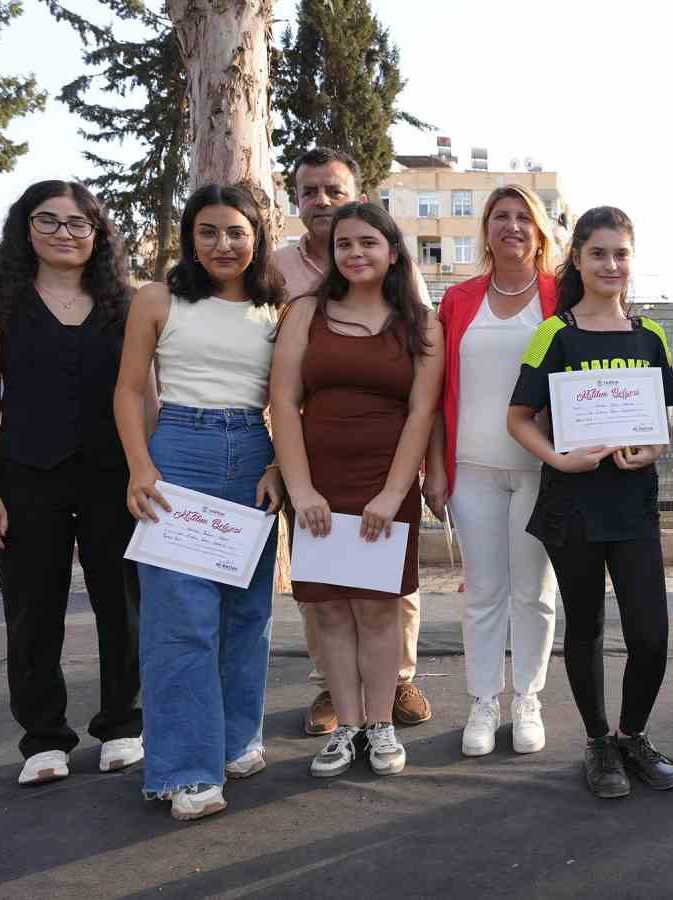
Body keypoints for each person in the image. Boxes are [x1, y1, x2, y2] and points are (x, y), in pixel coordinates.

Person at [0, 180, 143, 786]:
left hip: (114, 476)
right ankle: (44, 737)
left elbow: (148, 396)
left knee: (124, 603)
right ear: (25, 228)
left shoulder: (128, 304)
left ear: (98, 234)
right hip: (25, 476)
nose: (65, 233)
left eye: (79, 223)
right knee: (34, 608)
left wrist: (149, 469)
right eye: (50, 220)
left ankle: (123, 724)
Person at [114, 184, 285, 822]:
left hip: (251, 451)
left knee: (248, 612)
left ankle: (238, 738)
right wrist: (141, 466)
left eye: (236, 231)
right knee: (180, 618)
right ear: (190, 236)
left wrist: (278, 465)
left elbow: (290, 399)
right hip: (179, 452)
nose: (223, 244)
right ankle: (186, 769)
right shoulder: (158, 299)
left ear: (256, 235)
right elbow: (131, 390)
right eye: (208, 231)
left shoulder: (277, 306)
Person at [507, 206, 673, 799]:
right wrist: (558, 458)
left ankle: (633, 734)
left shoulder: (651, 334)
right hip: (573, 503)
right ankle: (598, 743)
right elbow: (518, 418)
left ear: (633, 261)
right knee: (585, 626)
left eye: (622, 253)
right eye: (599, 253)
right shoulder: (554, 333)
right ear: (577, 259)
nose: (611, 264)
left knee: (651, 634)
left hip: (632, 505)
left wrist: (651, 447)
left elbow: (663, 423)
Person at [271, 202, 443, 778]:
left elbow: (422, 412)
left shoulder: (421, 323)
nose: (355, 253)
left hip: (384, 486)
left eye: (368, 242)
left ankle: (381, 726)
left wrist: (394, 495)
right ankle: (345, 728)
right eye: (344, 244)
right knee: (331, 615)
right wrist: (301, 489)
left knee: (378, 611)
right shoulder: (303, 314)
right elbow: (284, 406)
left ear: (392, 251)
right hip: (317, 486)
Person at [426, 184, 561, 758]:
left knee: (533, 593)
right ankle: (483, 701)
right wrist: (435, 469)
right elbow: (433, 393)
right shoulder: (458, 300)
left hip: (543, 468)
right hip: (472, 470)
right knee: (482, 591)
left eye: (522, 218)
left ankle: (527, 698)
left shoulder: (560, 295)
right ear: (485, 230)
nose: (511, 227)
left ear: (539, 231)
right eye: (499, 217)